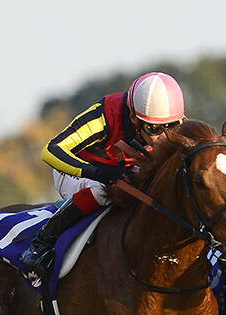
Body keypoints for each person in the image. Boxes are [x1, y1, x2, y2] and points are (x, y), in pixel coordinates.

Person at [20, 72, 186, 279]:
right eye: (153, 128)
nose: (164, 136)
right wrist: (99, 173)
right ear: (133, 117)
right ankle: (42, 242)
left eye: (172, 126)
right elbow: (51, 151)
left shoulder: (175, 124)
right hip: (76, 171)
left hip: (124, 170)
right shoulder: (105, 115)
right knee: (104, 190)